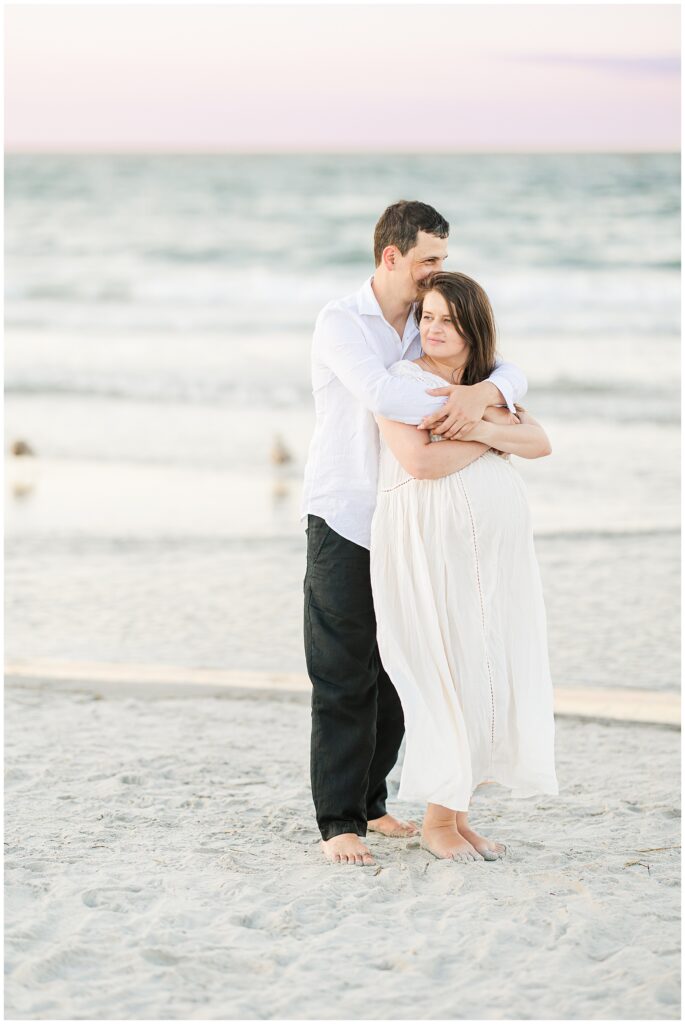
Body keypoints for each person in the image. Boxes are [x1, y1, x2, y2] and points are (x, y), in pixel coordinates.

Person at [301, 201, 529, 866]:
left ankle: (373, 804)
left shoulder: (429, 320)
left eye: (442, 261)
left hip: (411, 525)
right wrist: (473, 402)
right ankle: (339, 821)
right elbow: (383, 396)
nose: (437, 271)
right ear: (390, 256)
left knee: (404, 670)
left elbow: (507, 370)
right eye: (428, 259)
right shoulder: (341, 323)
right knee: (345, 674)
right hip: (345, 515)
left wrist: (484, 392)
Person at [370, 271, 560, 863]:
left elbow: (540, 441)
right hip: (429, 547)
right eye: (425, 317)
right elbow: (420, 464)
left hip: (491, 555)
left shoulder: (484, 387)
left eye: (446, 320)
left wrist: (479, 423)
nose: (431, 329)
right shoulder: (402, 383)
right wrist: (492, 438)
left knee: (482, 669)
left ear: (472, 327)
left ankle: (458, 816)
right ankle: (435, 823)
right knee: (444, 669)